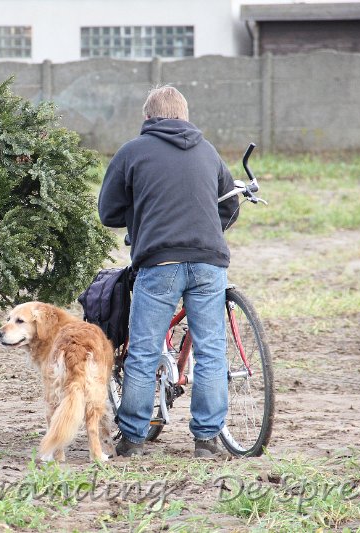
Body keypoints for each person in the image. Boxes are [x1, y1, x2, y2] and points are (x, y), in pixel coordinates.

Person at [98, 86, 240, 458]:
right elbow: (230, 204)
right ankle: (207, 439)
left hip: (159, 261)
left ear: (148, 117)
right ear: (185, 115)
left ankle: (132, 437)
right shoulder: (208, 151)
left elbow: (108, 213)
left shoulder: (132, 152)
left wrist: (140, 216)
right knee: (211, 352)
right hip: (209, 260)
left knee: (143, 350)